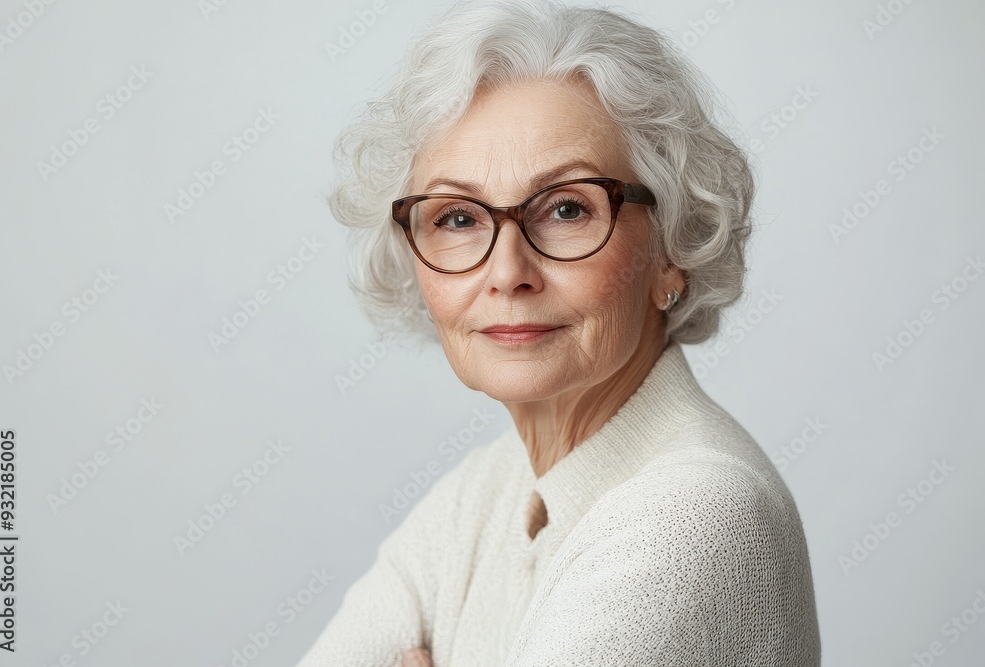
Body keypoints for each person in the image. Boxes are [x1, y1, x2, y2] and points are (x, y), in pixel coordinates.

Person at [298, 1, 820, 664]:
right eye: (458, 218)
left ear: (672, 251)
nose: (507, 270)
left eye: (567, 208)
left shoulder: (696, 514)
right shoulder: (484, 492)